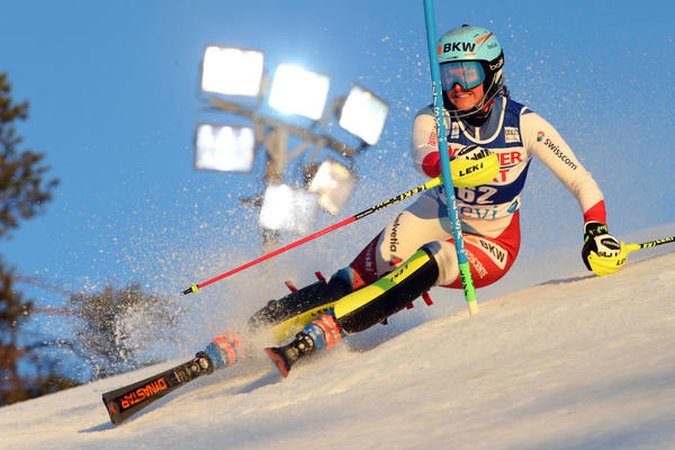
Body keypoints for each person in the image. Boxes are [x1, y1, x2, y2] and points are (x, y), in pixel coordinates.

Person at [201, 24, 628, 377]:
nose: (458, 87)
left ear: (493, 74)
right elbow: (426, 159)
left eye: (468, 74)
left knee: (431, 259)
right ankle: (248, 331)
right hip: (438, 211)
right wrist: (453, 162)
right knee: (350, 278)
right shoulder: (433, 116)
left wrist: (597, 230)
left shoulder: (525, 124)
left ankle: (334, 327)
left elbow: (580, 179)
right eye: (448, 76)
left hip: (492, 240)